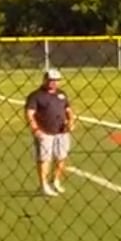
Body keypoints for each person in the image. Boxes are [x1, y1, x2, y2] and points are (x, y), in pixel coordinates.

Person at [23, 69, 73, 198]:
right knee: (44, 159)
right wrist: (35, 129)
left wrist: (71, 122)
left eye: (57, 80)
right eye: (51, 80)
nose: (54, 83)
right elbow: (29, 114)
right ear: (45, 80)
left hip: (62, 132)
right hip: (45, 132)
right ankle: (44, 185)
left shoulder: (62, 94)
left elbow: (68, 110)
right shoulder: (36, 96)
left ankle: (55, 181)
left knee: (61, 157)